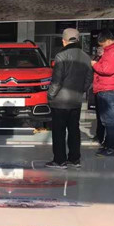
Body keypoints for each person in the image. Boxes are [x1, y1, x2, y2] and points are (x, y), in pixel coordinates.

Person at [46, 28, 93, 169]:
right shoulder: (86, 57)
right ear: (78, 40)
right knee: (74, 130)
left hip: (60, 101)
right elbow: (89, 79)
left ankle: (60, 160)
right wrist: (79, 91)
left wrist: (50, 95)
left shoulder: (61, 56)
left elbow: (57, 81)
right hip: (76, 101)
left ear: (64, 41)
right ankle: (74, 159)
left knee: (58, 131)